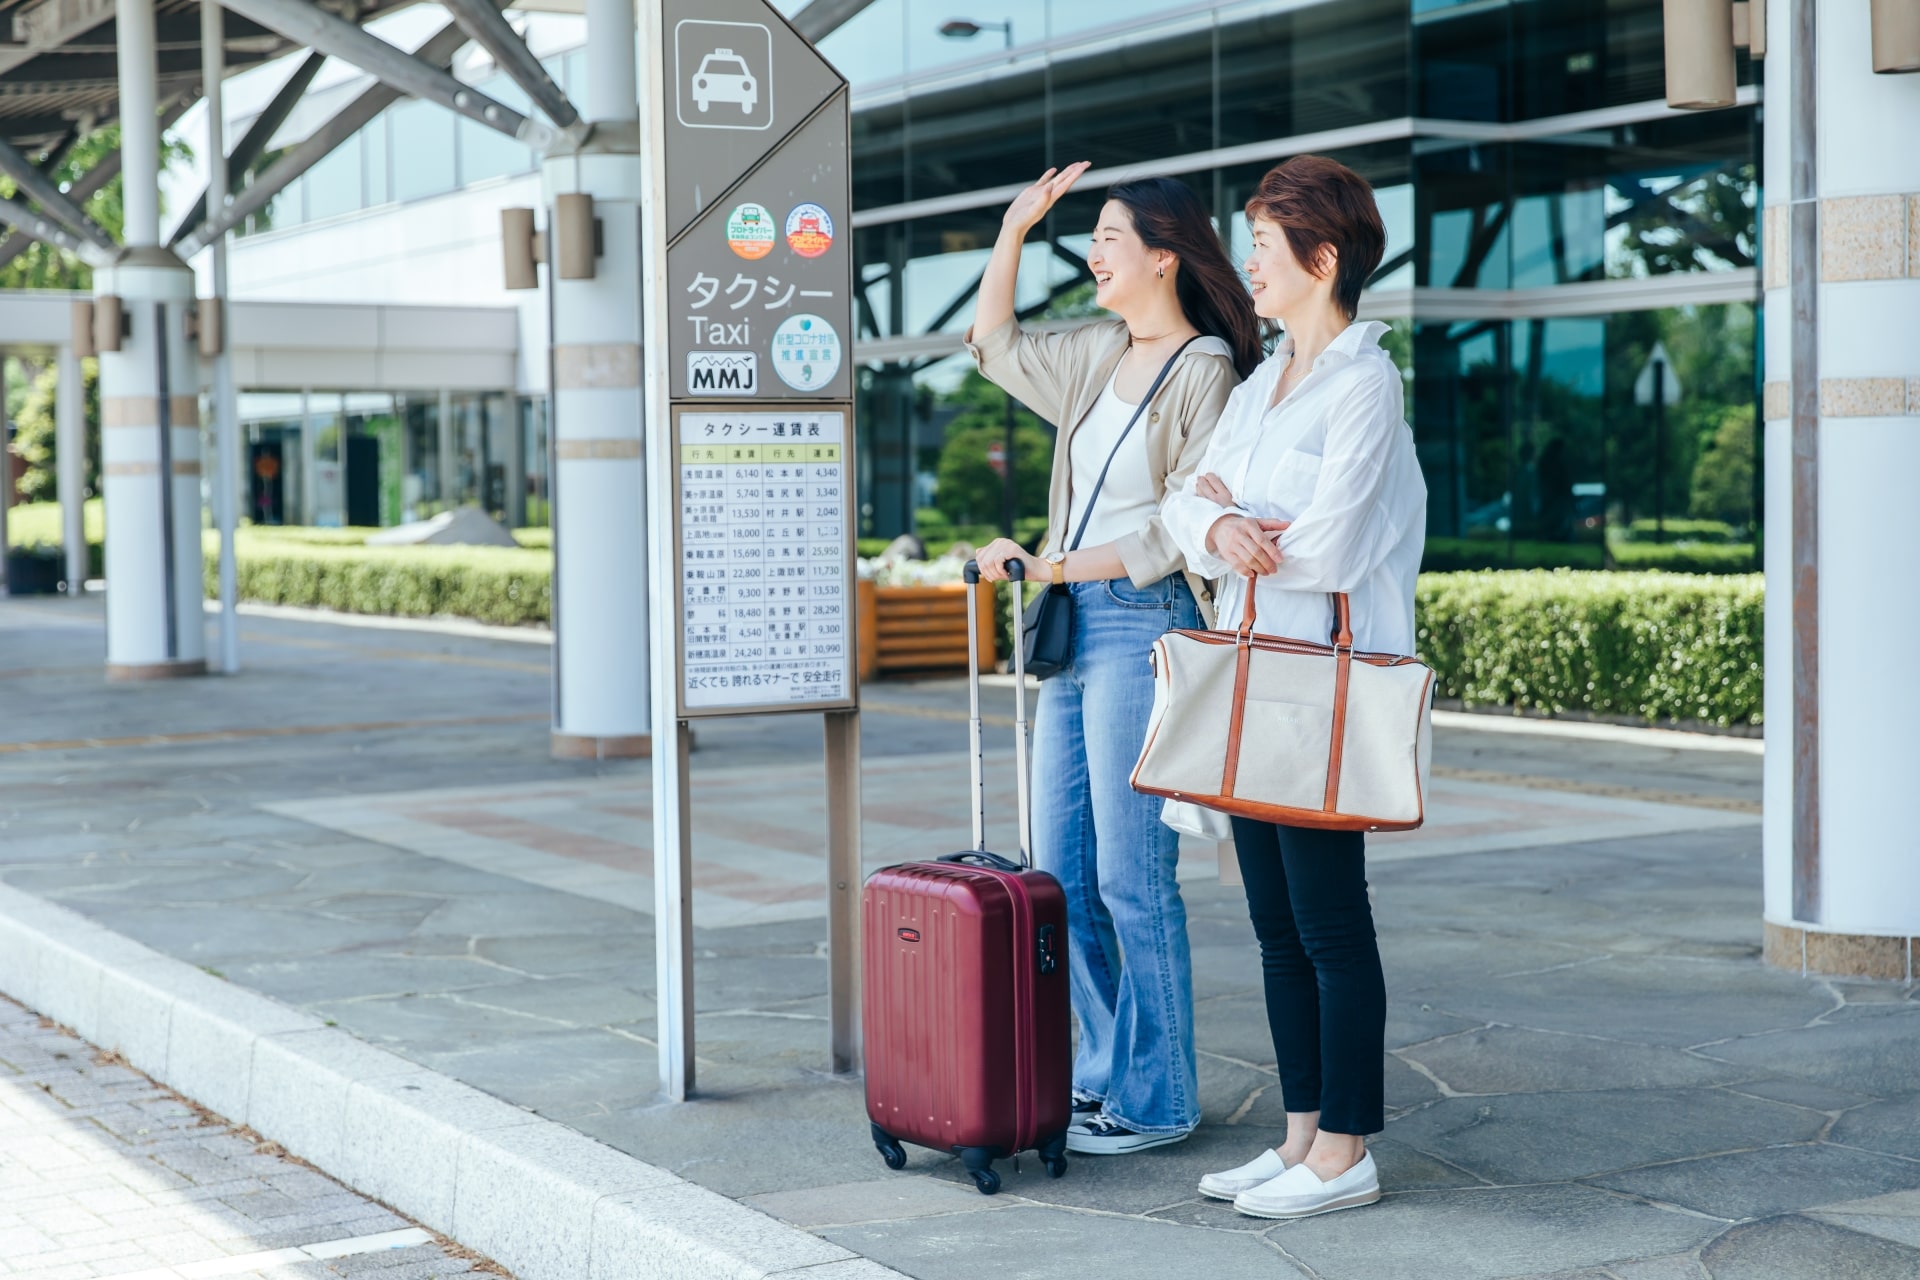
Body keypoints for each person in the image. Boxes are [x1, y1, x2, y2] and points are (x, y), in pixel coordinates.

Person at [968, 165, 1260, 1154]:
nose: (1091, 253)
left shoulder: (1205, 367)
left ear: (1164, 255)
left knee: (1136, 878)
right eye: (1088, 237)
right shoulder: (1097, 351)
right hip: (1071, 627)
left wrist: (1046, 560)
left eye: (1107, 237)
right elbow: (991, 344)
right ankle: (1105, 1076)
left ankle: (1162, 1095)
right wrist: (1013, 228)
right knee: (1061, 872)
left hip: (1143, 626)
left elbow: (1175, 534)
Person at [1161, 154, 1426, 1218]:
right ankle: (1301, 1133)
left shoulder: (1366, 380)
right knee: (1275, 921)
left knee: (1328, 922)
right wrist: (1223, 522)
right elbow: (1188, 498)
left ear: (1322, 259)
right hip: (1257, 672)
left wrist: (1239, 522)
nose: (1251, 265)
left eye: (1265, 247)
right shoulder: (1267, 377)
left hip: (1319, 681)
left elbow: (1328, 543)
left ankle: (1348, 1148)